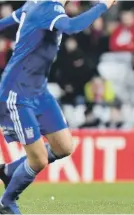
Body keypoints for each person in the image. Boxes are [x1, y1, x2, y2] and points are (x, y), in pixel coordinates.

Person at [0, 0, 115, 213]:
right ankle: (6, 202)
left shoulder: (33, 4)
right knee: (39, 160)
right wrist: (103, 6)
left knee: (63, 147)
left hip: (39, 91)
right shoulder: (49, 7)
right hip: (16, 93)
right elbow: (72, 27)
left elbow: (5, 22)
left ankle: (9, 171)